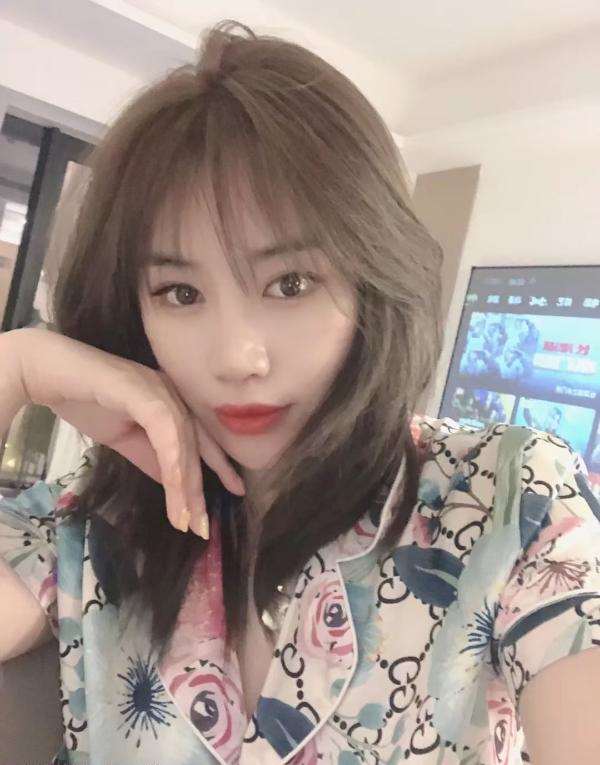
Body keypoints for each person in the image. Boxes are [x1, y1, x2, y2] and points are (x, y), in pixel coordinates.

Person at [1, 20, 600, 765]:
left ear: (370, 281)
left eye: (290, 283)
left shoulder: (505, 499)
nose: (237, 357)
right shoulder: (92, 527)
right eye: (180, 292)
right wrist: (17, 366)